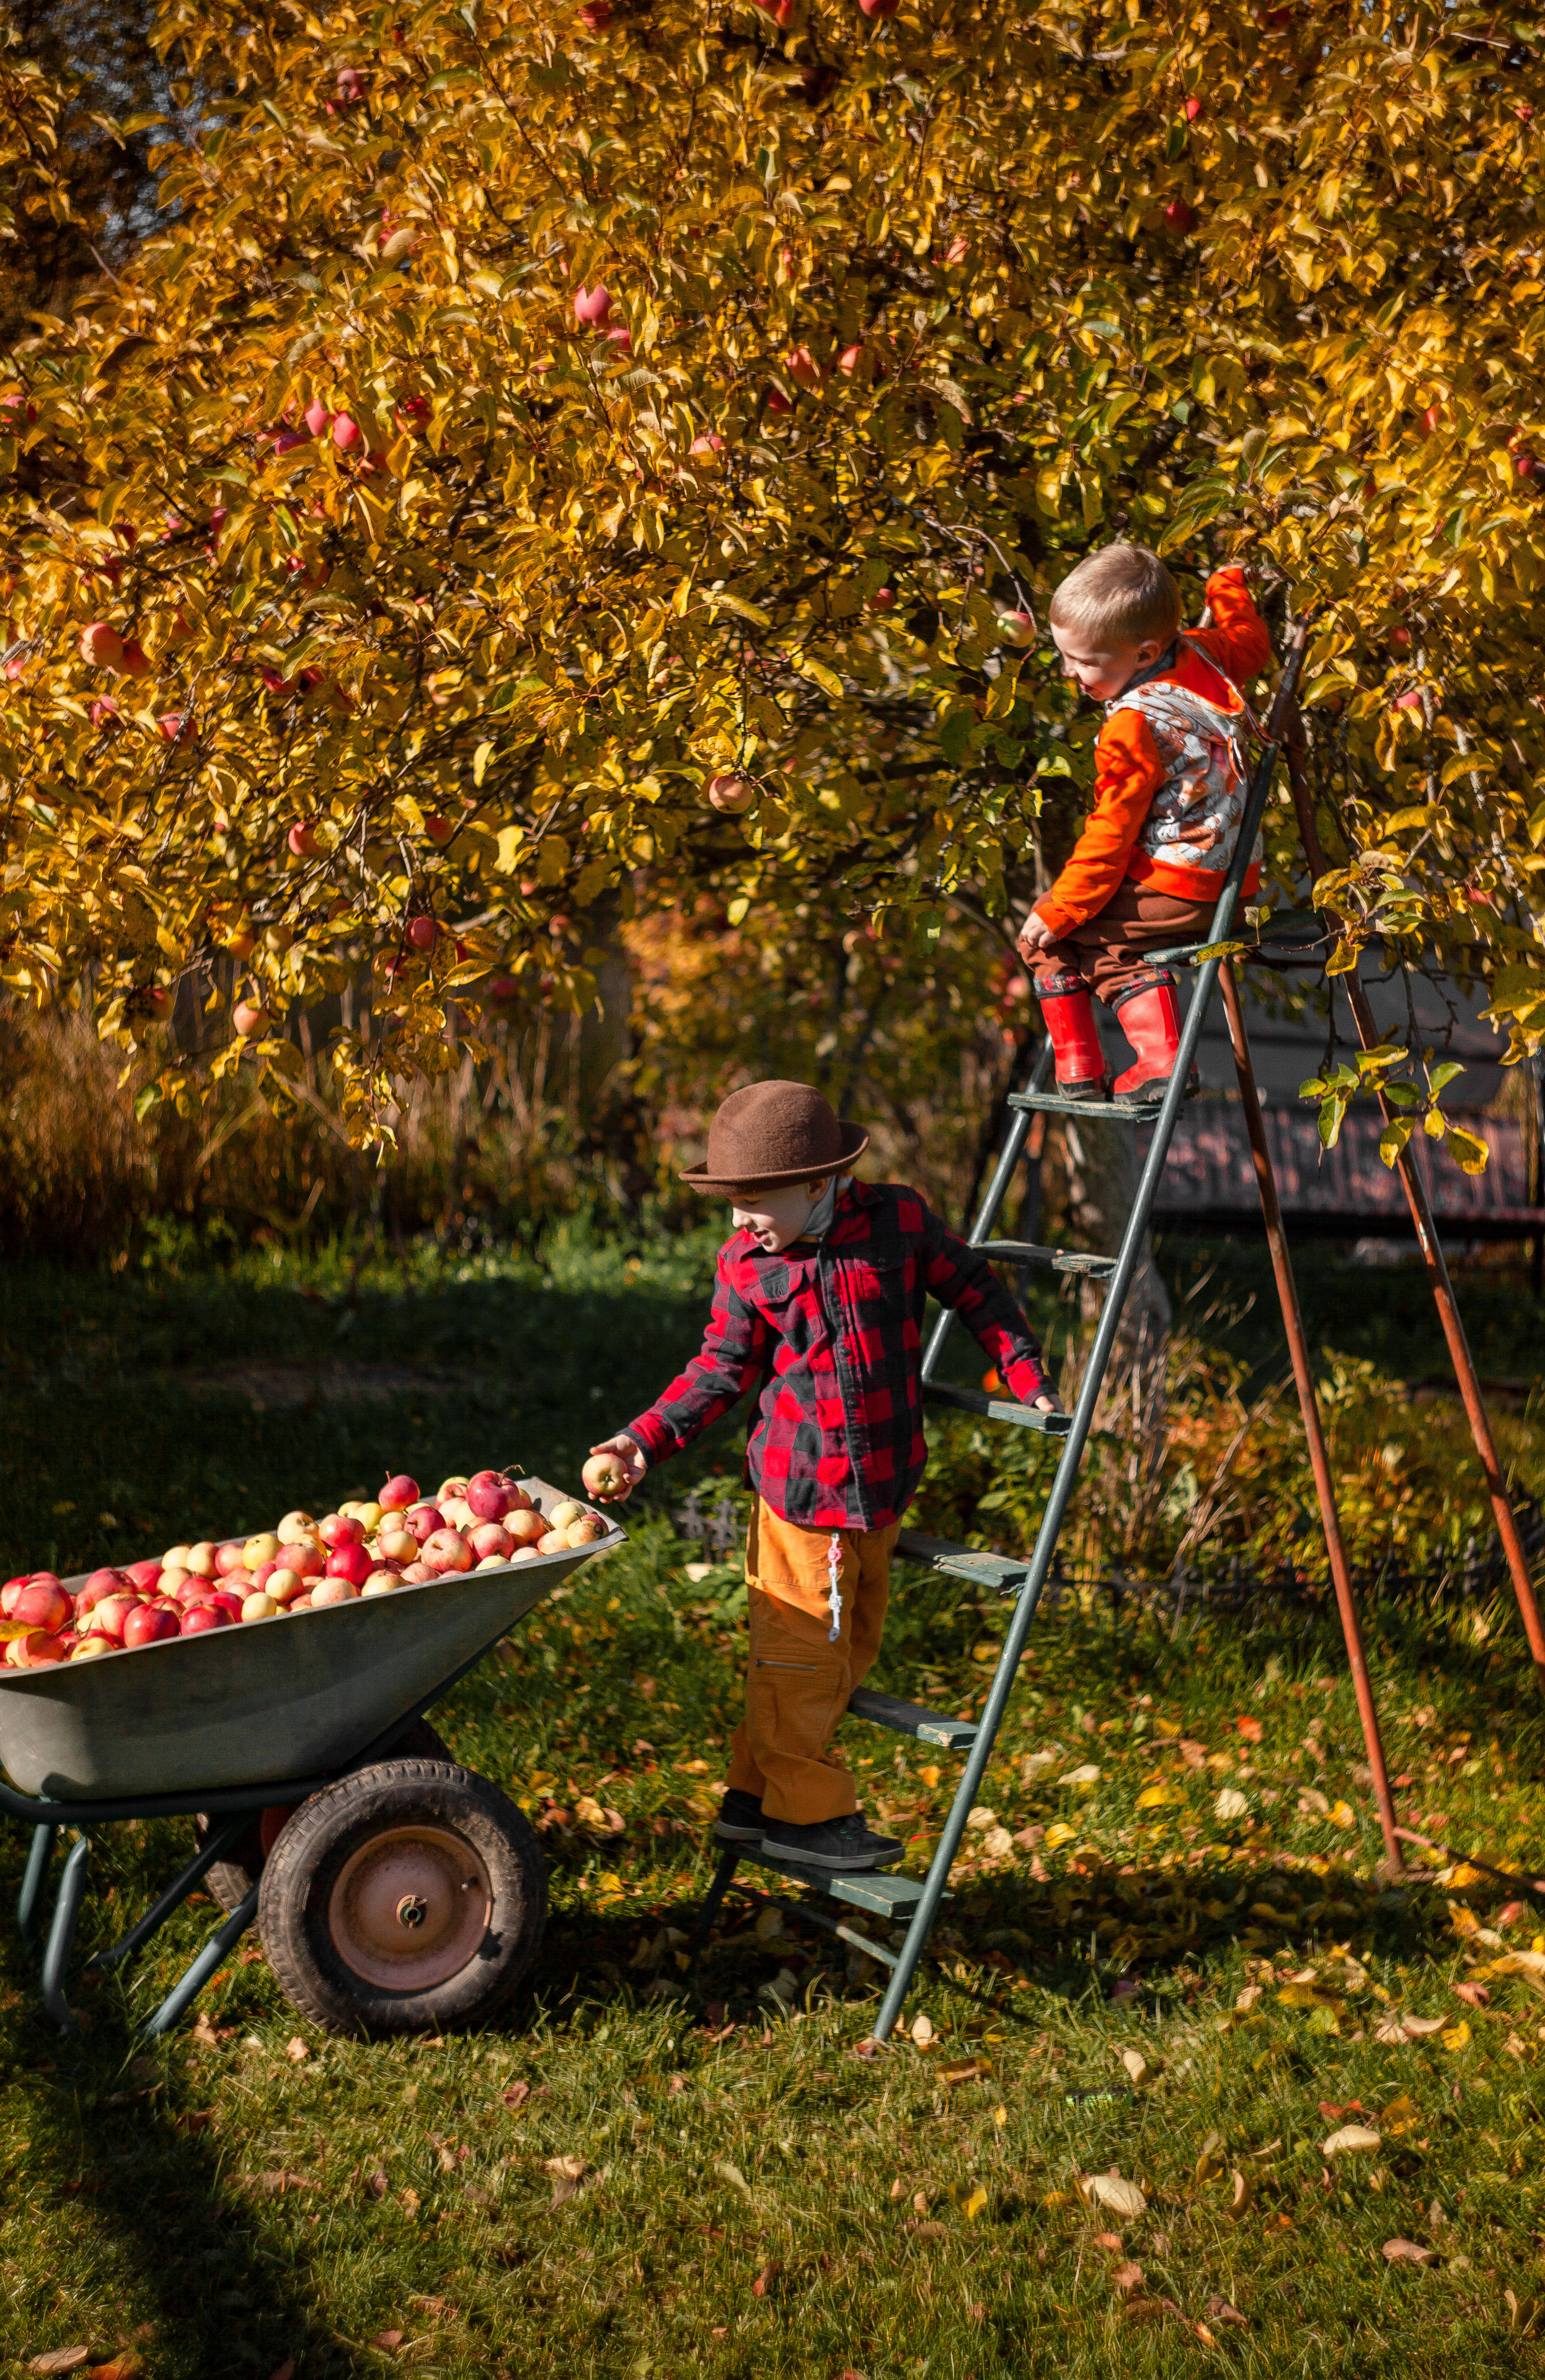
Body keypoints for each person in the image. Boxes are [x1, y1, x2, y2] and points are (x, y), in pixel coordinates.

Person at [587, 1079, 1058, 1874]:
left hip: (882, 1490)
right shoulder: (745, 1264)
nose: (739, 1219)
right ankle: (807, 1815)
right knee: (801, 1660)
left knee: (841, 1657)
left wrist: (1020, 1369)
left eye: (754, 1201)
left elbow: (972, 1286)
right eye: (730, 1201)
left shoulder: (899, 1222)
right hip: (801, 1497)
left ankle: (751, 1798)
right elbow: (719, 1368)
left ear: (817, 1184)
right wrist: (643, 1439)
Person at [1015, 545, 1271, 1103]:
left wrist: (1063, 906)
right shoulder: (1205, 656)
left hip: (1176, 884)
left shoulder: (1129, 727)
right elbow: (1252, 644)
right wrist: (1227, 583)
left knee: (1061, 939)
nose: (1069, 672)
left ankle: (1146, 1064)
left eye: (1084, 661)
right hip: (1232, 879)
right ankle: (1090, 1070)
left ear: (1144, 653)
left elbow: (1112, 832)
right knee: (1071, 929)